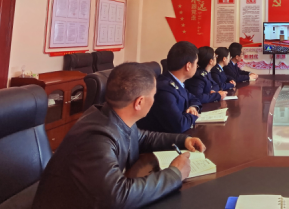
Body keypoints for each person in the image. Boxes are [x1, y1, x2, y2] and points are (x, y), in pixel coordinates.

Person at [32, 63, 206, 209]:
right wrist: (175, 174)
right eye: (153, 96)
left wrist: (183, 140)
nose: (154, 100)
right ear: (139, 102)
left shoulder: (113, 115)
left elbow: (142, 137)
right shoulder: (96, 138)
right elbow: (118, 195)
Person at [138, 41, 203, 133]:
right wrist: (193, 115)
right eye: (196, 63)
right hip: (162, 140)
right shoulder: (164, 90)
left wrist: (193, 107)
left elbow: (193, 97)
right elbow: (179, 125)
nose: (197, 66)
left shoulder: (175, 82)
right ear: (188, 66)